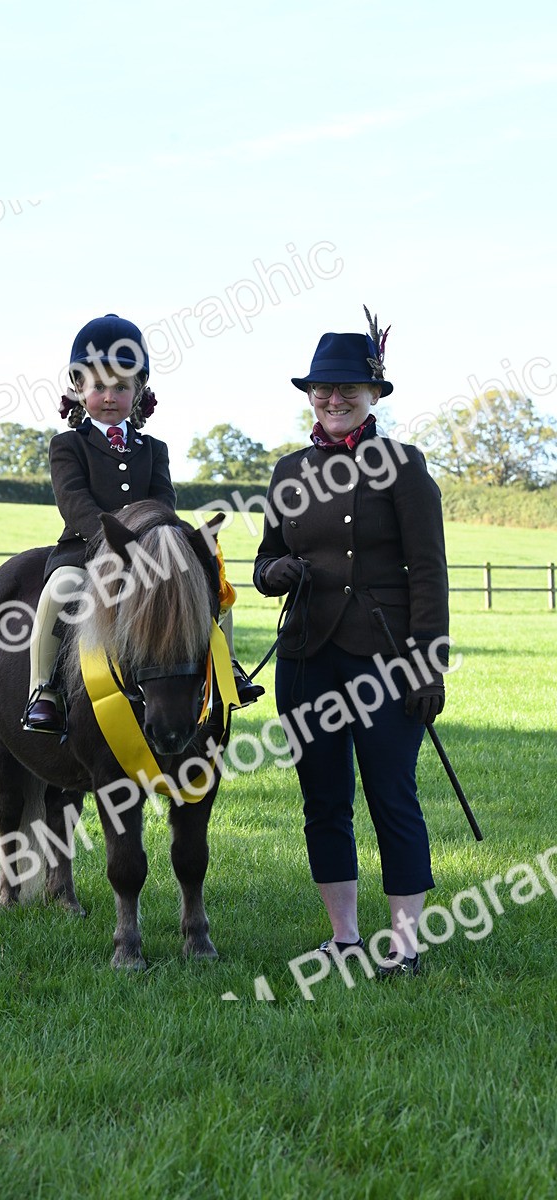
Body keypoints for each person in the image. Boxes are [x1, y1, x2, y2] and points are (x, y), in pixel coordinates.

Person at [253, 310, 449, 977]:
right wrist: (275, 573)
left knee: (392, 794)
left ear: (373, 396)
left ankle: (406, 946)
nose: (333, 400)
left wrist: (430, 660)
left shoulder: (402, 465)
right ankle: (343, 938)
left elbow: (427, 568)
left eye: (347, 391)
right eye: (322, 390)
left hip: (387, 660)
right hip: (307, 657)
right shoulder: (287, 471)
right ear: (310, 396)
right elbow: (264, 563)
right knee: (324, 798)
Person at [23, 313, 263, 733]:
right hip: (87, 547)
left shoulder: (155, 448)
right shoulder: (67, 445)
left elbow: (164, 499)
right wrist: (113, 540)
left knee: (214, 588)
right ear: (80, 390)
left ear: (138, 394)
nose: (110, 396)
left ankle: (228, 674)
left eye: (121, 387)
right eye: (99, 386)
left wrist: (160, 539)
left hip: (152, 548)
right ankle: (43, 689)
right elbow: (74, 502)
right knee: (58, 591)